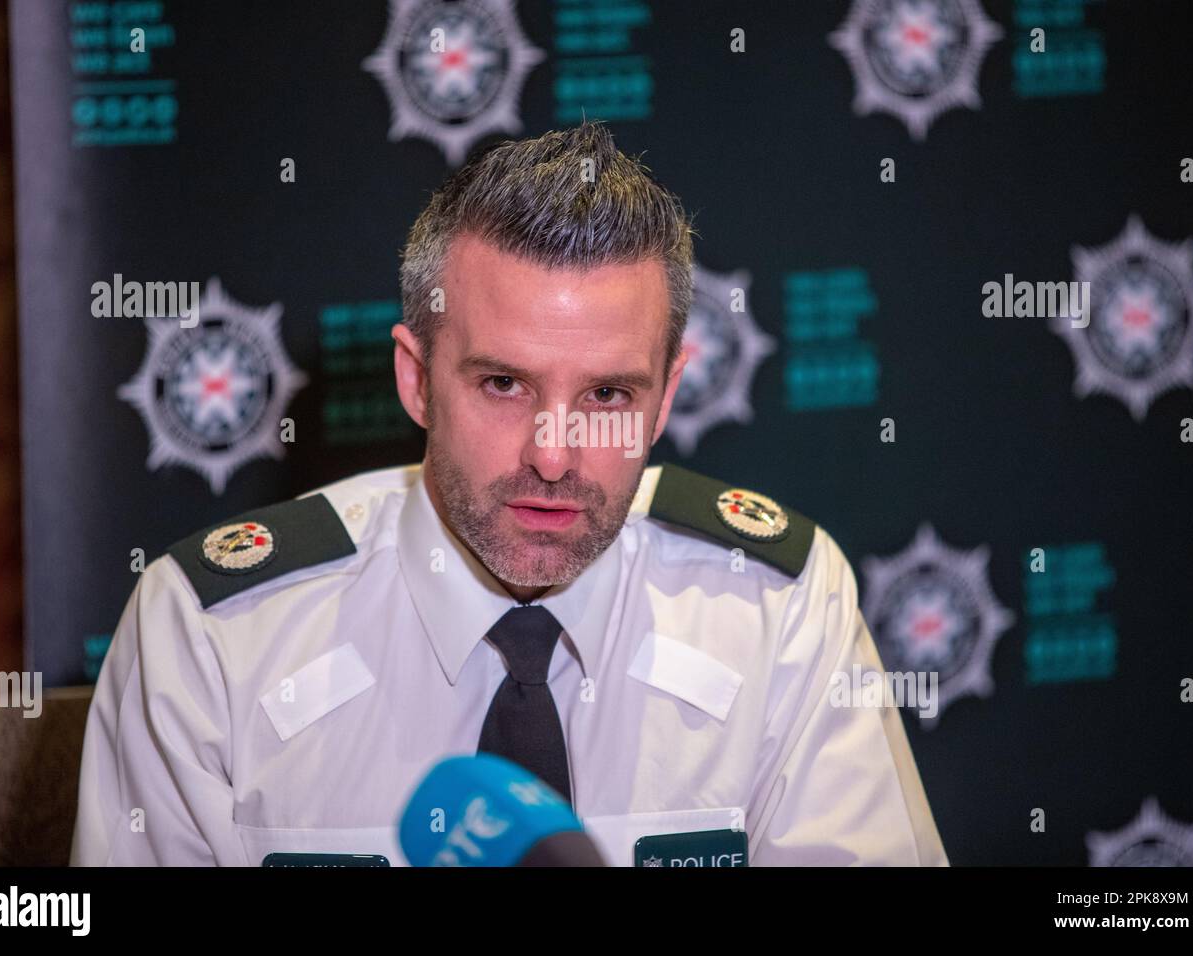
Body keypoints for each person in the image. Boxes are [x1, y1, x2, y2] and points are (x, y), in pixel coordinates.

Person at [70, 121, 948, 867]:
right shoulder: (213, 636)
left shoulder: (778, 609)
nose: (556, 456)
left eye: (608, 395)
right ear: (417, 380)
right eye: (503, 385)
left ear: (668, 398)